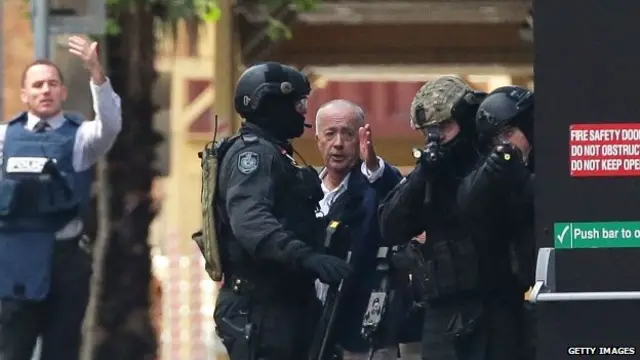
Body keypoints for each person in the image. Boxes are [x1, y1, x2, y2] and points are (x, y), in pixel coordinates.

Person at [211, 62, 352, 360]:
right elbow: (250, 222)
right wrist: (306, 256)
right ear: (271, 103)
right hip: (263, 308)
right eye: (296, 103)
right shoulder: (254, 155)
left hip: (285, 303)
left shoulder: (275, 152)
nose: (302, 111)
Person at [0, 35, 122, 360]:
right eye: (37, 85)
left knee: (62, 350)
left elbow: (110, 127)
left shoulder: (79, 136)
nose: (45, 90)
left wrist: (96, 73)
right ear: (24, 95)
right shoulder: (3, 138)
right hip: (16, 261)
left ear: (63, 92)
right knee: (12, 350)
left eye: (52, 84)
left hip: (64, 260)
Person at [377, 76, 487, 360]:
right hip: (442, 310)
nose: (435, 139)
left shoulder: (489, 164)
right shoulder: (430, 173)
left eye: (444, 128)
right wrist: (423, 176)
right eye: (429, 132)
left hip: (491, 308)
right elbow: (390, 226)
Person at [313, 99, 402, 360]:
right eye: (330, 134)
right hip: (311, 329)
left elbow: (397, 196)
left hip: (361, 334)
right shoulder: (303, 190)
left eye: (348, 134)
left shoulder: (375, 186)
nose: (338, 143)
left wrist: (373, 167)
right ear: (318, 138)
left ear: (362, 137)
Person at [457, 85, 535, 360]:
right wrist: (492, 170)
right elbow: (467, 204)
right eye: (496, 139)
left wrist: (522, 180)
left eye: (509, 133)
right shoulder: (497, 168)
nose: (505, 145)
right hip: (507, 306)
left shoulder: (554, 161)